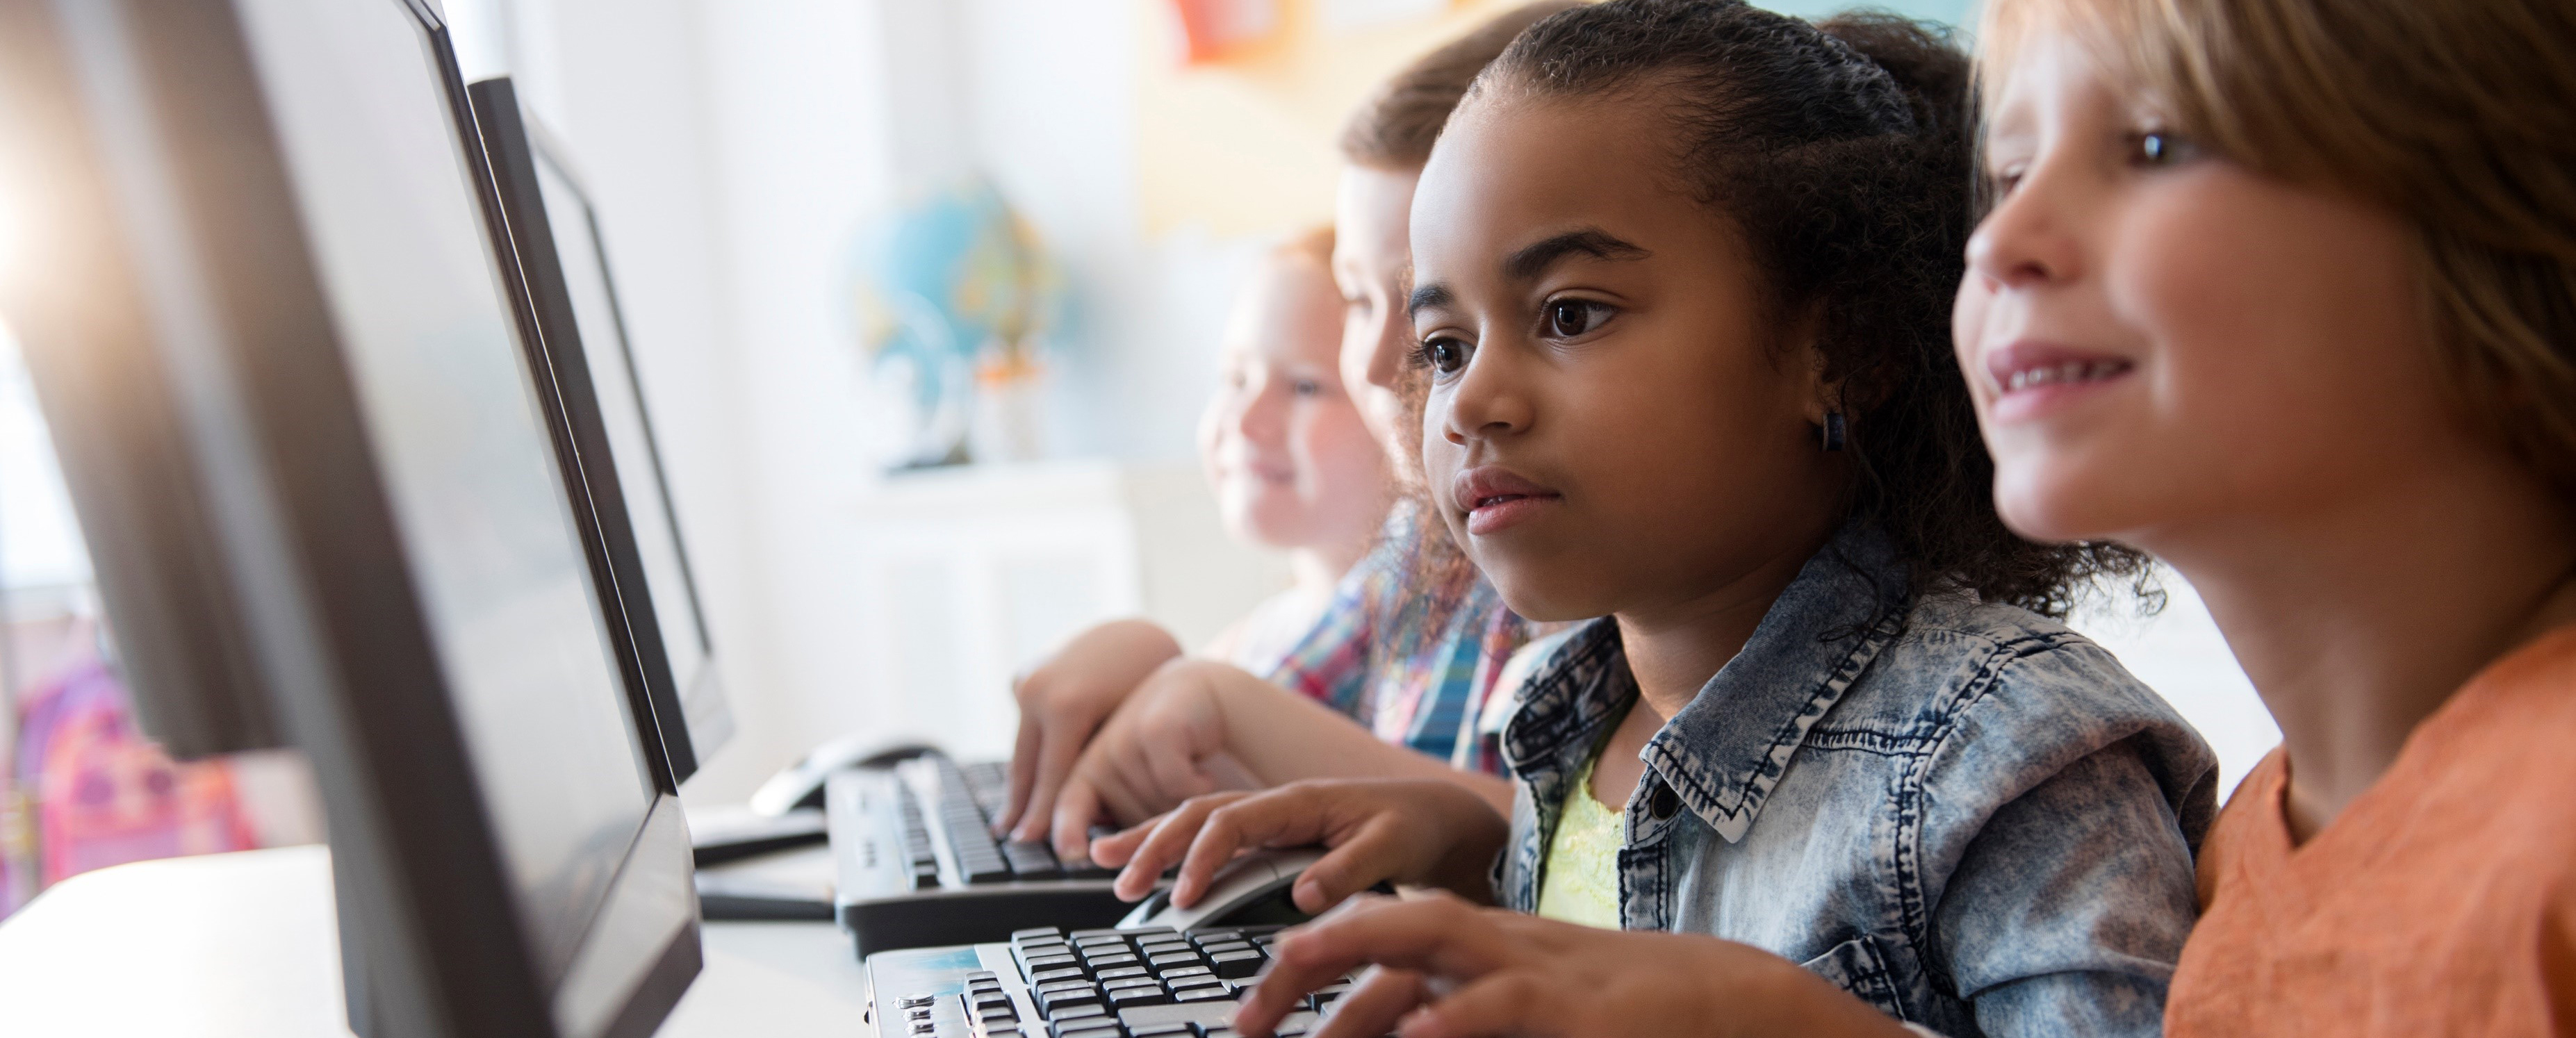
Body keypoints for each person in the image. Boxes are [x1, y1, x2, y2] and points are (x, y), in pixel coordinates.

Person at [1104, 5, 2217, 1036]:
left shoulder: (2004, 760)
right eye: (1444, 348)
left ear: (1844, 351)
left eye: (1568, 314)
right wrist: (1481, 853)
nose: (1474, 402)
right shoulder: (1554, 715)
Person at [1958, 0, 2576, 1033]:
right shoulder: (2241, 853)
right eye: (2007, 174)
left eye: (2154, 146)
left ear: (2511, 235)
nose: (1997, 241)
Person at [994, 1, 1582, 863]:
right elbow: (1222, 730)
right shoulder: (1414, 555)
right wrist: (1155, 666)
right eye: (1356, 298)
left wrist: (1222, 700)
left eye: (1428, 307)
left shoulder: (1595, 559)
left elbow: (1580, 870)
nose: (1379, 364)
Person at [1198, 226, 1393, 678]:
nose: (1246, 421)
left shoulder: (1447, 651)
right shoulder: (1234, 658)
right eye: (1235, 379)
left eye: (1305, 386)